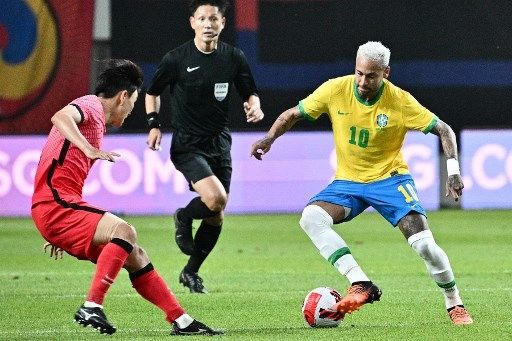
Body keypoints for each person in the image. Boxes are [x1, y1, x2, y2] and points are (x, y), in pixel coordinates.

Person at [250, 41, 473, 325]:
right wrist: (269, 138)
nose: (363, 81)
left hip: (389, 180)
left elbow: (444, 129)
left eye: (371, 75)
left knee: (424, 245)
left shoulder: (400, 101)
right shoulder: (335, 89)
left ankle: (454, 302)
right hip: (348, 182)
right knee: (311, 218)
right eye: (359, 73)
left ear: (386, 73)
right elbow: (292, 114)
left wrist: (453, 170)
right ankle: (360, 282)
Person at [31, 59, 222, 336]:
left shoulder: (95, 118)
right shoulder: (91, 105)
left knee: (136, 254)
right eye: (133, 101)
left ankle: (181, 321)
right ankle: (92, 305)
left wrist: (61, 230)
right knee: (124, 230)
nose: (133, 109)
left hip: (60, 209)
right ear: (123, 96)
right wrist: (88, 149)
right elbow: (60, 117)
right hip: (55, 205)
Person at [145, 0, 264, 293]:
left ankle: (191, 272)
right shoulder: (176, 59)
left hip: (220, 143)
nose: (208, 24)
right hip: (187, 145)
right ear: (192, 23)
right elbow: (152, 92)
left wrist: (255, 107)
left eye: (214, 19)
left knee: (216, 213)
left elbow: (250, 92)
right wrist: (153, 123)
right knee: (216, 200)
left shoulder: (233, 58)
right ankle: (183, 216)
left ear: (223, 23)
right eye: (203, 19)